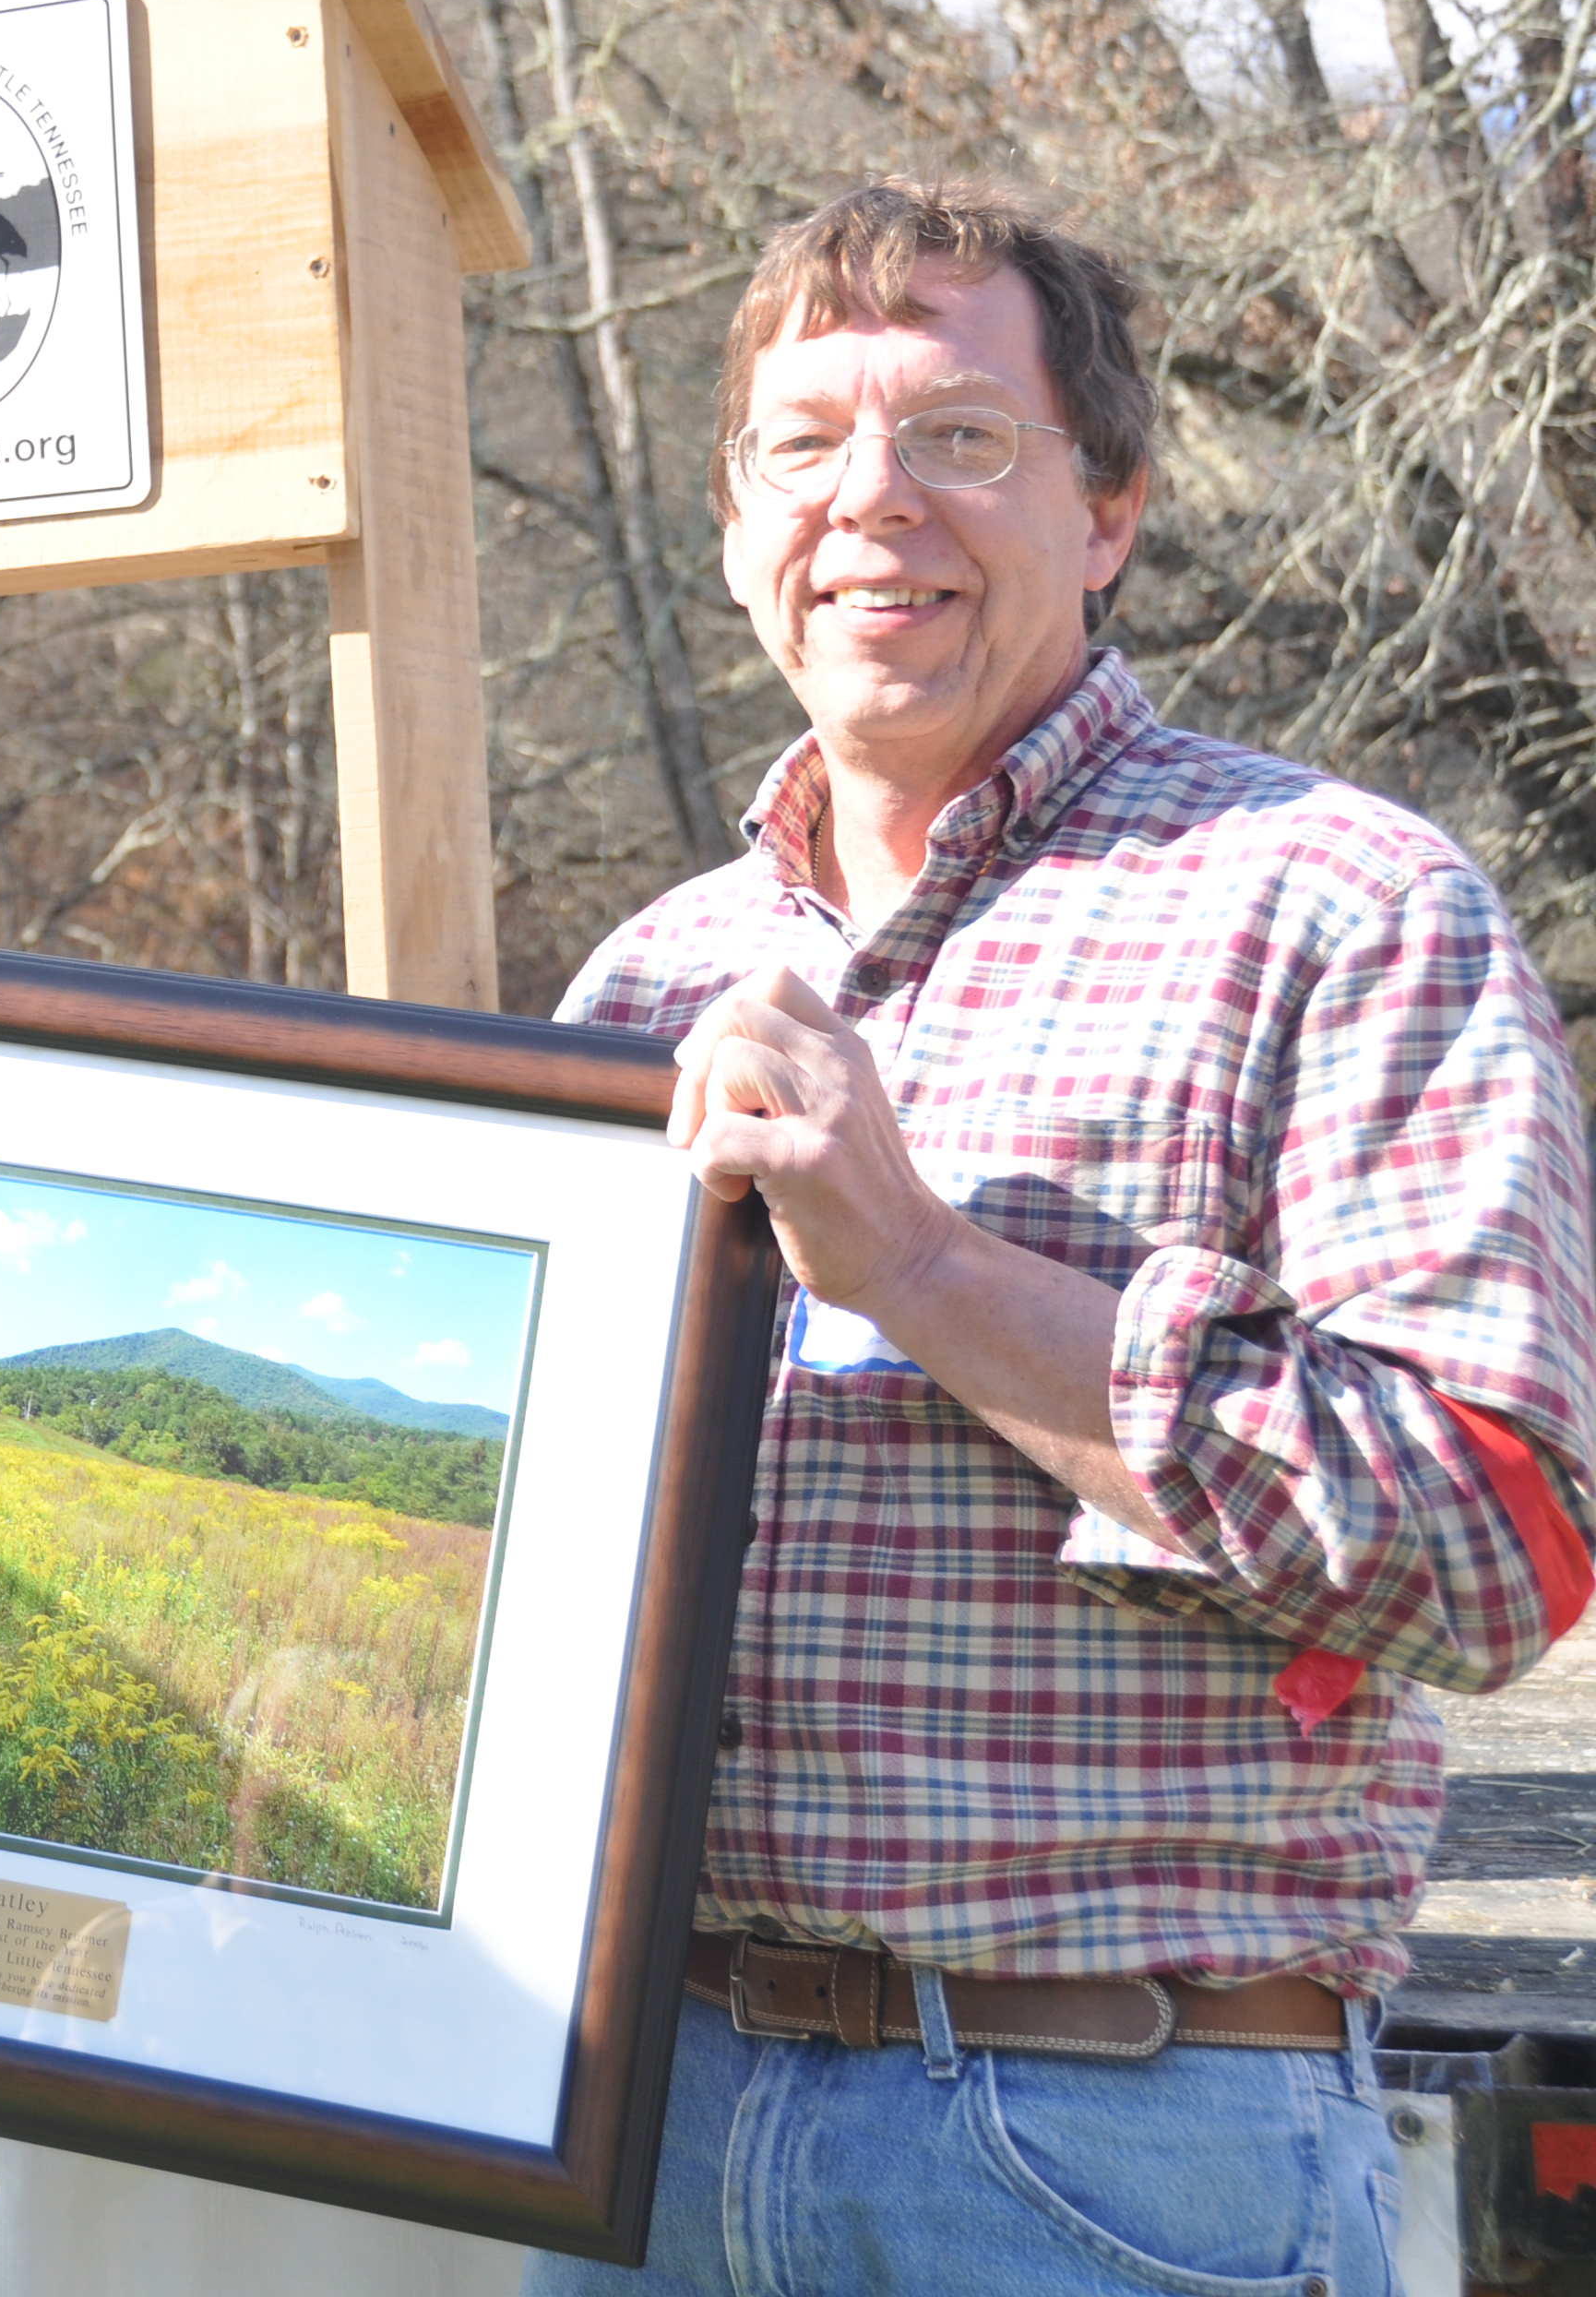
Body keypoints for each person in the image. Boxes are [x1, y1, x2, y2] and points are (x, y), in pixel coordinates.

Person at [530, 179, 1596, 2294]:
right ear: (734, 522)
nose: (868, 504)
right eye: (800, 445)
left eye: (955, 435)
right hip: (634, 2133)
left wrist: (920, 1266)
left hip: (1101, 2146)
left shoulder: (1334, 905)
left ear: (1103, 508)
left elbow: (1491, 1546)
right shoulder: (637, 984)